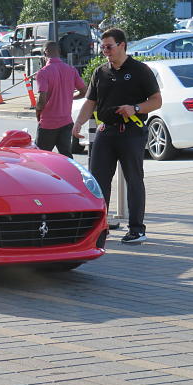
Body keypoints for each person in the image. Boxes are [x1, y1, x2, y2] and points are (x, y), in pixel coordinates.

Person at [72, 28, 162, 244]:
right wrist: (78, 122)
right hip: (106, 131)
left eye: (109, 47)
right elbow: (91, 101)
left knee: (134, 179)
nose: (105, 51)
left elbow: (157, 100)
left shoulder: (140, 70)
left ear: (122, 45)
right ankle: (98, 229)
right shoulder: (100, 72)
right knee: (97, 181)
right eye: (102, 47)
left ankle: (137, 229)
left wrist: (136, 108)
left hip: (131, 132)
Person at [35, 41, 87, 157]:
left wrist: (38, 112)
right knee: (66, 157)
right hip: (66, 122)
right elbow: (84, 91)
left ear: (45, 53)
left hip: (48, 123)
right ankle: (71, 175)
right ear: (59, 52)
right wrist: (70, 97)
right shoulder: (71, 70)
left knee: (41, 158)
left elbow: (41, 100)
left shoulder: (43, 73)